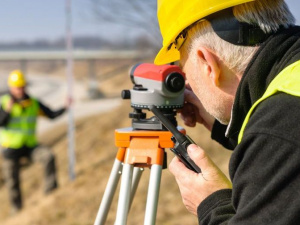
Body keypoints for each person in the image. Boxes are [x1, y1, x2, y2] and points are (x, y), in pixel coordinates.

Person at [155, 0, 300, 224]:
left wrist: (213, 204)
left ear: (207, 63)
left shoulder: (277, 131)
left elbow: (279, 140)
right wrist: (223, 122)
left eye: (183, 68)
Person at [0, 70, 67, 213]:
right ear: (11, 87)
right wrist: (7, 111)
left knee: (48, 156)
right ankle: (16, 211)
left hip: (30, 146)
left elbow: (51, 115)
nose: (20, 90)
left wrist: (65, 107)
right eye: (17, 87)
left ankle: (51, 194)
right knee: (12, 182)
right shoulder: (4, 102)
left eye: (22, 86)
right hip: (10, 149)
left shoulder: (33, 103)